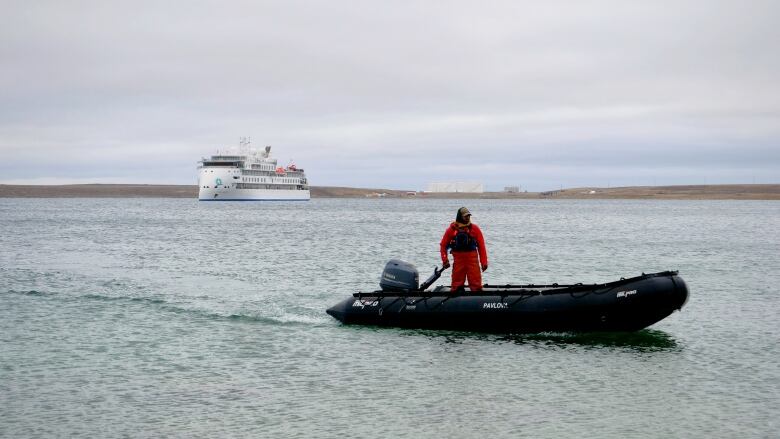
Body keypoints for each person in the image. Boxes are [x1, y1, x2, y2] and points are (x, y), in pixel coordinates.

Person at [440, 207, 488, 292]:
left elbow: (481, 246)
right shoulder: (451, 230)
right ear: (460, 217)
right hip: (458, 260)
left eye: (469, 216)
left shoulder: (474, 229)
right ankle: (456, 295)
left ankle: (476, 295)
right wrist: (445, 260)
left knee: (476, 283)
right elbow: (443, 245)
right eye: (465, 216)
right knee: (456, 284)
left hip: (472, 260)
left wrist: (484, 262)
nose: (468, 217)